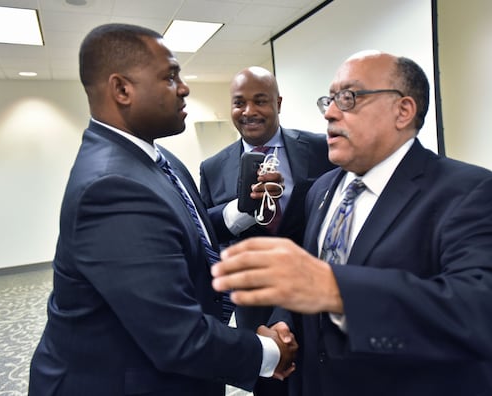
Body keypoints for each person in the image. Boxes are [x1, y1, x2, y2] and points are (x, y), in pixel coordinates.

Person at [211, 50, 492, 396]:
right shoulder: (321, 190)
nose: (331, 113)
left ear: (403, 110)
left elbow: (490, 318)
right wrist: (282, 322)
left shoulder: (471, 193)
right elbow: (306, 281)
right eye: (330, 99)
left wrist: (337, 289)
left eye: (349, 98)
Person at [28, 23, 297, 396]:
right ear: (122, 89)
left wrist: (243, 209)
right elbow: (179, 337)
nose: (184, 87)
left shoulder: (153, 156)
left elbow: (188, 229)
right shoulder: (111, 188)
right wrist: (271, 353)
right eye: (171, 76)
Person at [200, 66, 335, 396]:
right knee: (271, 386)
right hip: (255, 303)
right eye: (238, 102)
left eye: (260, 101)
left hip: (316, 291)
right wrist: (240, 209)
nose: (248, 111)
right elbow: (207, 231)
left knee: (325, 377)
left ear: (278, 102)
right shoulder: (213, 167)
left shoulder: (321, 149)